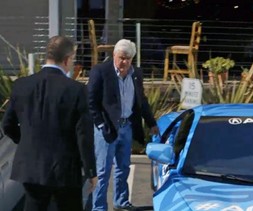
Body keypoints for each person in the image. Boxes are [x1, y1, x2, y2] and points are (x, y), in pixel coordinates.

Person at [1, 35, 97, 211]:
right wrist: (91, 172)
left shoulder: (22, 85)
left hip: (32, 168)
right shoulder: (77, 90)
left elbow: (7, 125)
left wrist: (26, 142)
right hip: (66, 170)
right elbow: (84, 135)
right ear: (67, 59)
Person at [87, 39, 159, 211]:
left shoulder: (136, 74)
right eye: (121, 58)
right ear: (114, 55)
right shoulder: (101, 71)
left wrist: (151, 123)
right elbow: (91, 101)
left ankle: (121, 201)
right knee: (103, 171)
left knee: (123, 167)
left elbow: (141, 101)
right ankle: (98, 207)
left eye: (128, 58)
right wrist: (100, 124)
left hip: (126, 127)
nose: (124, 62)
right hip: (107, 128)